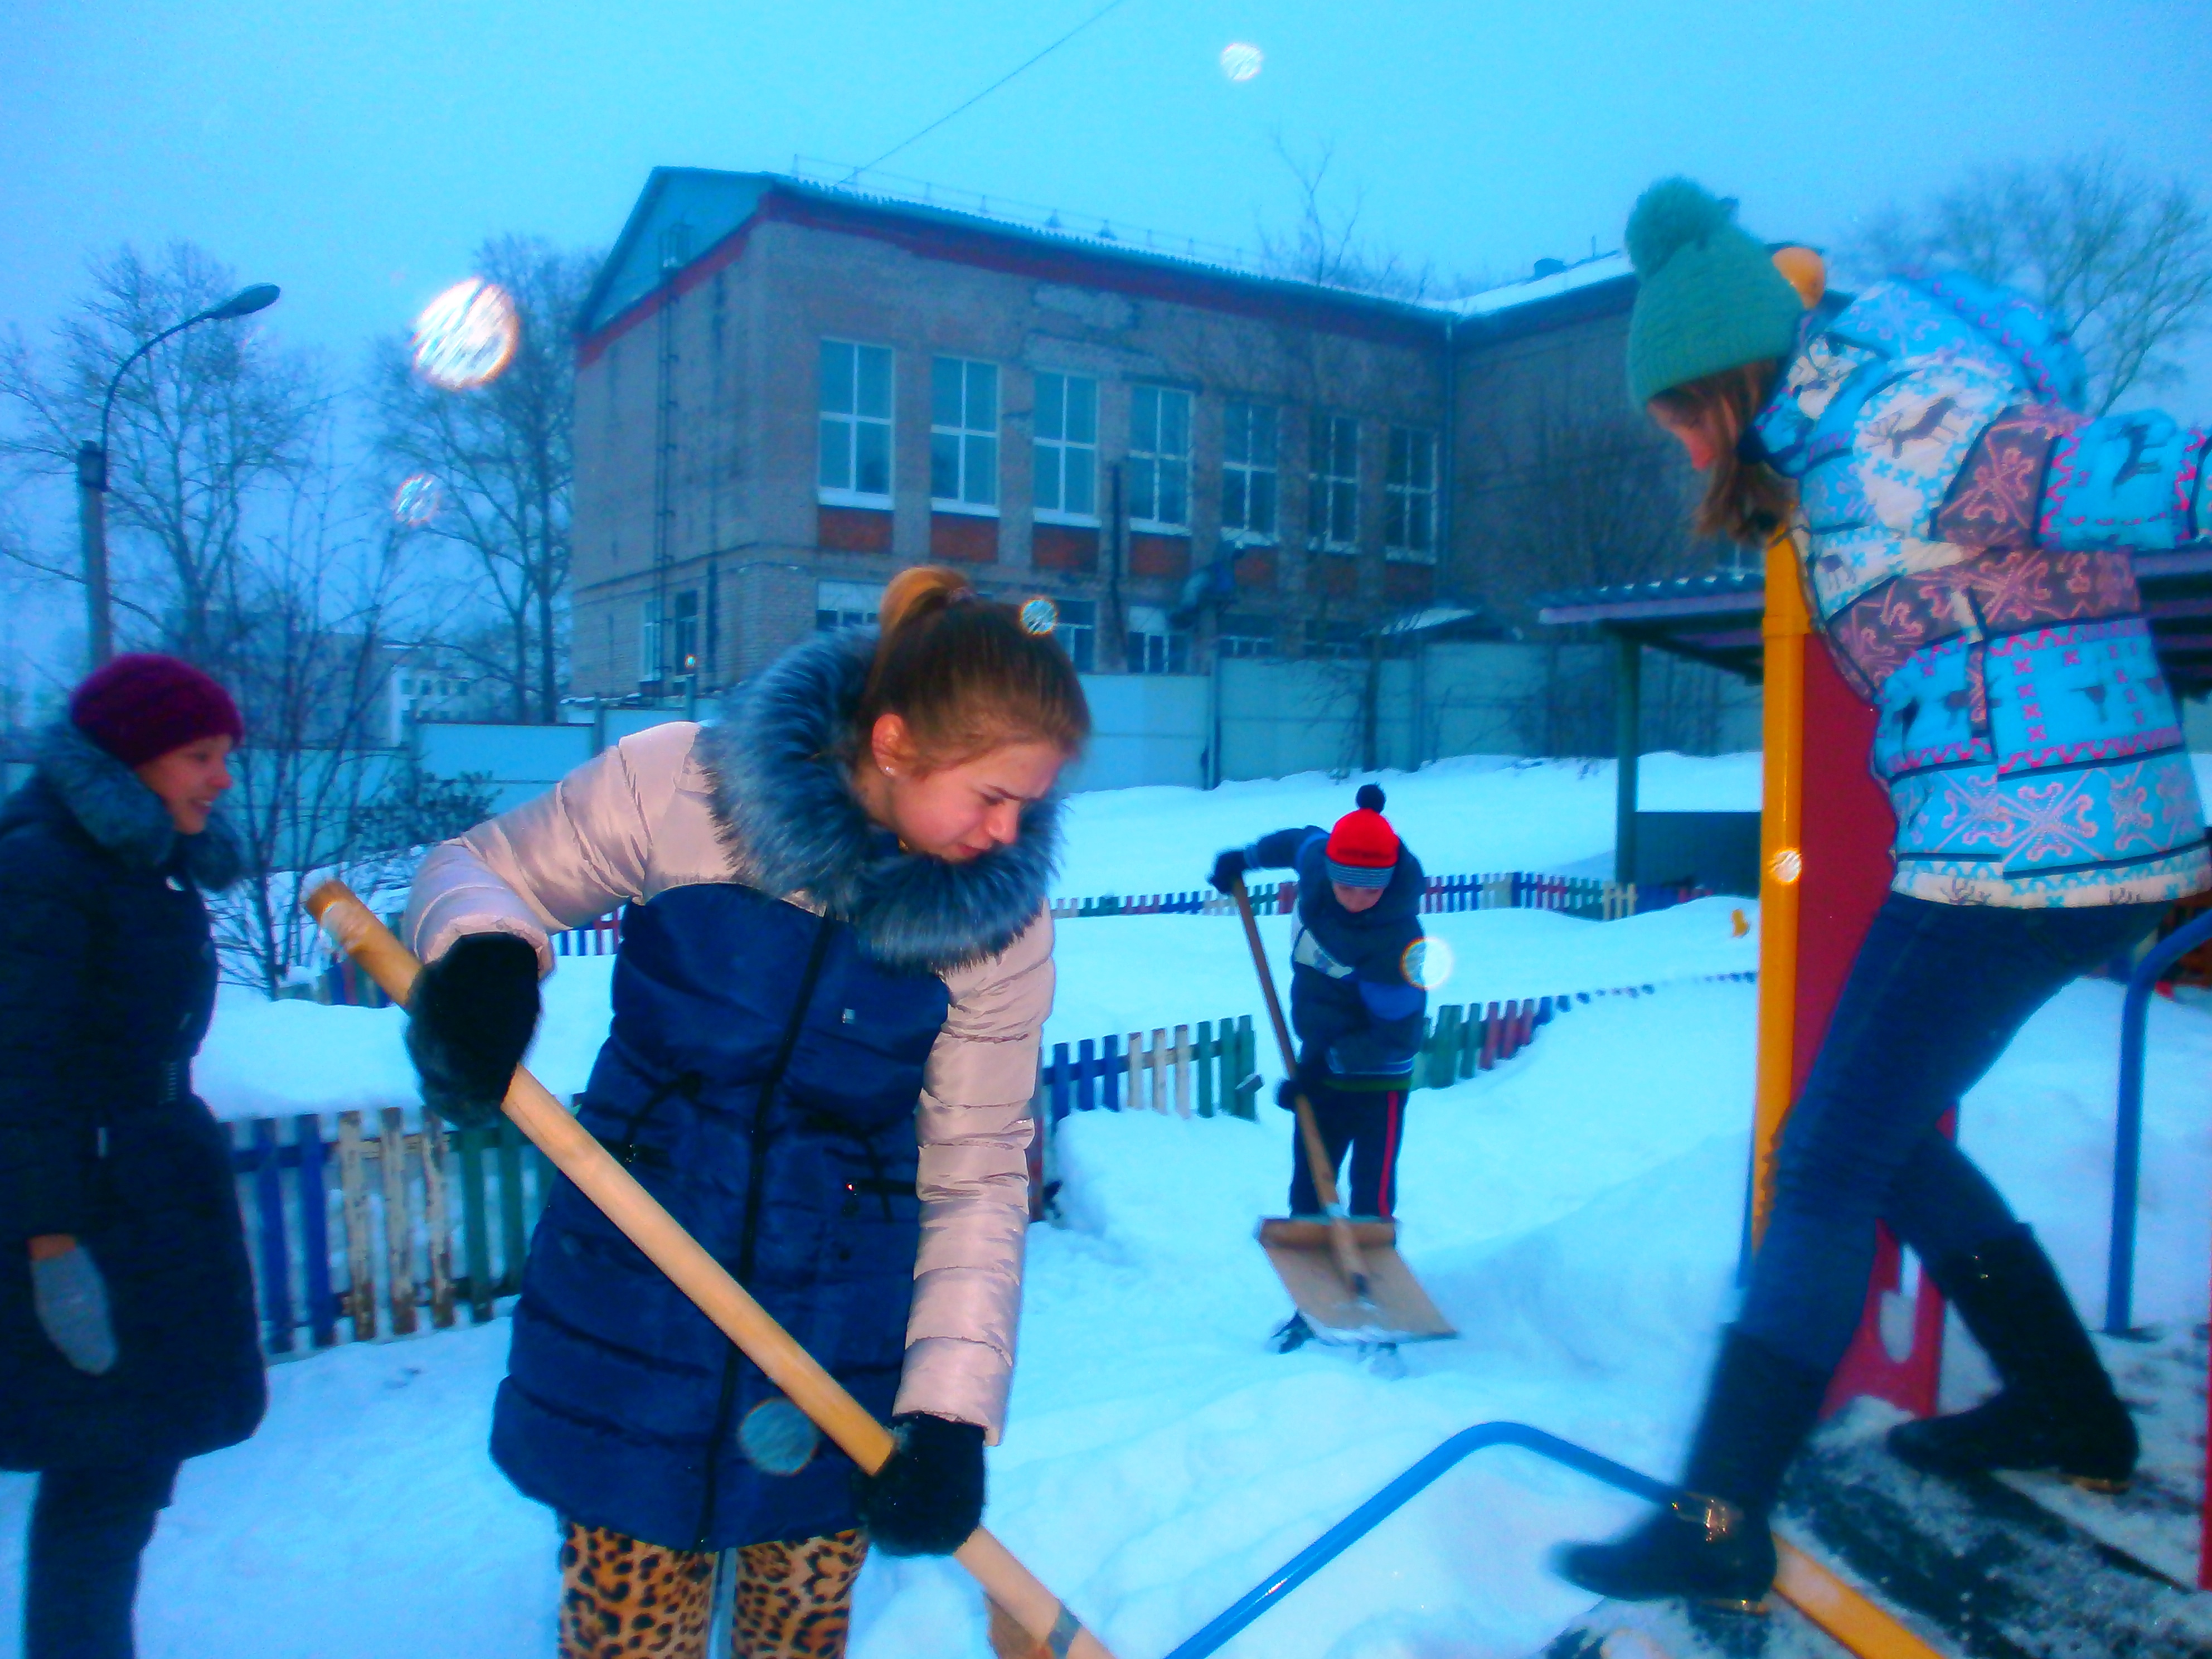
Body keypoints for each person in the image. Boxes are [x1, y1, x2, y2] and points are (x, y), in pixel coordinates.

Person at [1556, 178, 2212, 1609]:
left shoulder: (1899, 428)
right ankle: (2064, 1407)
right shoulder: (1834, 422)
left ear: (1726, 375)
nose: (1674, 441)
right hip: (2057, 836)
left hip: (2022, 849)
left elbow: (2141, 471)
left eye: (1677, 408)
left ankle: (1720, 1506)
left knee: (1824, 1158)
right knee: (1875, 1139)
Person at [400, 566, 1086, 1659]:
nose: (1010, 835)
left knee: (797, 1640)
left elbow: (976, 1174)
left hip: (835, 1335)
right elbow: (478, 870)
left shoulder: (998, 927)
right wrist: (483, 958)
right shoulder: (688, 787)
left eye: (1032, 806)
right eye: (992, 796)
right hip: (636, 1300)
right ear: (899, 743)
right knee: (630, 1639)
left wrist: (950, 1412)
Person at [0, 654, 265, 1659]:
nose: (222, 778)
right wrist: (51, 1245)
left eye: (225, 755)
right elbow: (16, 1074)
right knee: (100, 1475)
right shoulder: (41, 870)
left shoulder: (126, 859)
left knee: (130, 1464)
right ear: (128, 759)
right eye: (200, 756)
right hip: (92, 1215)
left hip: (146, 1198)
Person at [1208, 785, 1428, 1351]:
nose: (1355, 896)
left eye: (1369, 887)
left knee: (1369, 1195)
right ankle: (1315, 1308)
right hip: (1320, 1059)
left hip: (1378, 1078)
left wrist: (1327, 1064)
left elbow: (1396, 1038)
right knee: (1308, 1188)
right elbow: (1298, 841)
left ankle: (1378, 1312)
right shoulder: (1317, 866)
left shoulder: (1399, 942)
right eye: (1345, 883)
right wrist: (1246, 858)